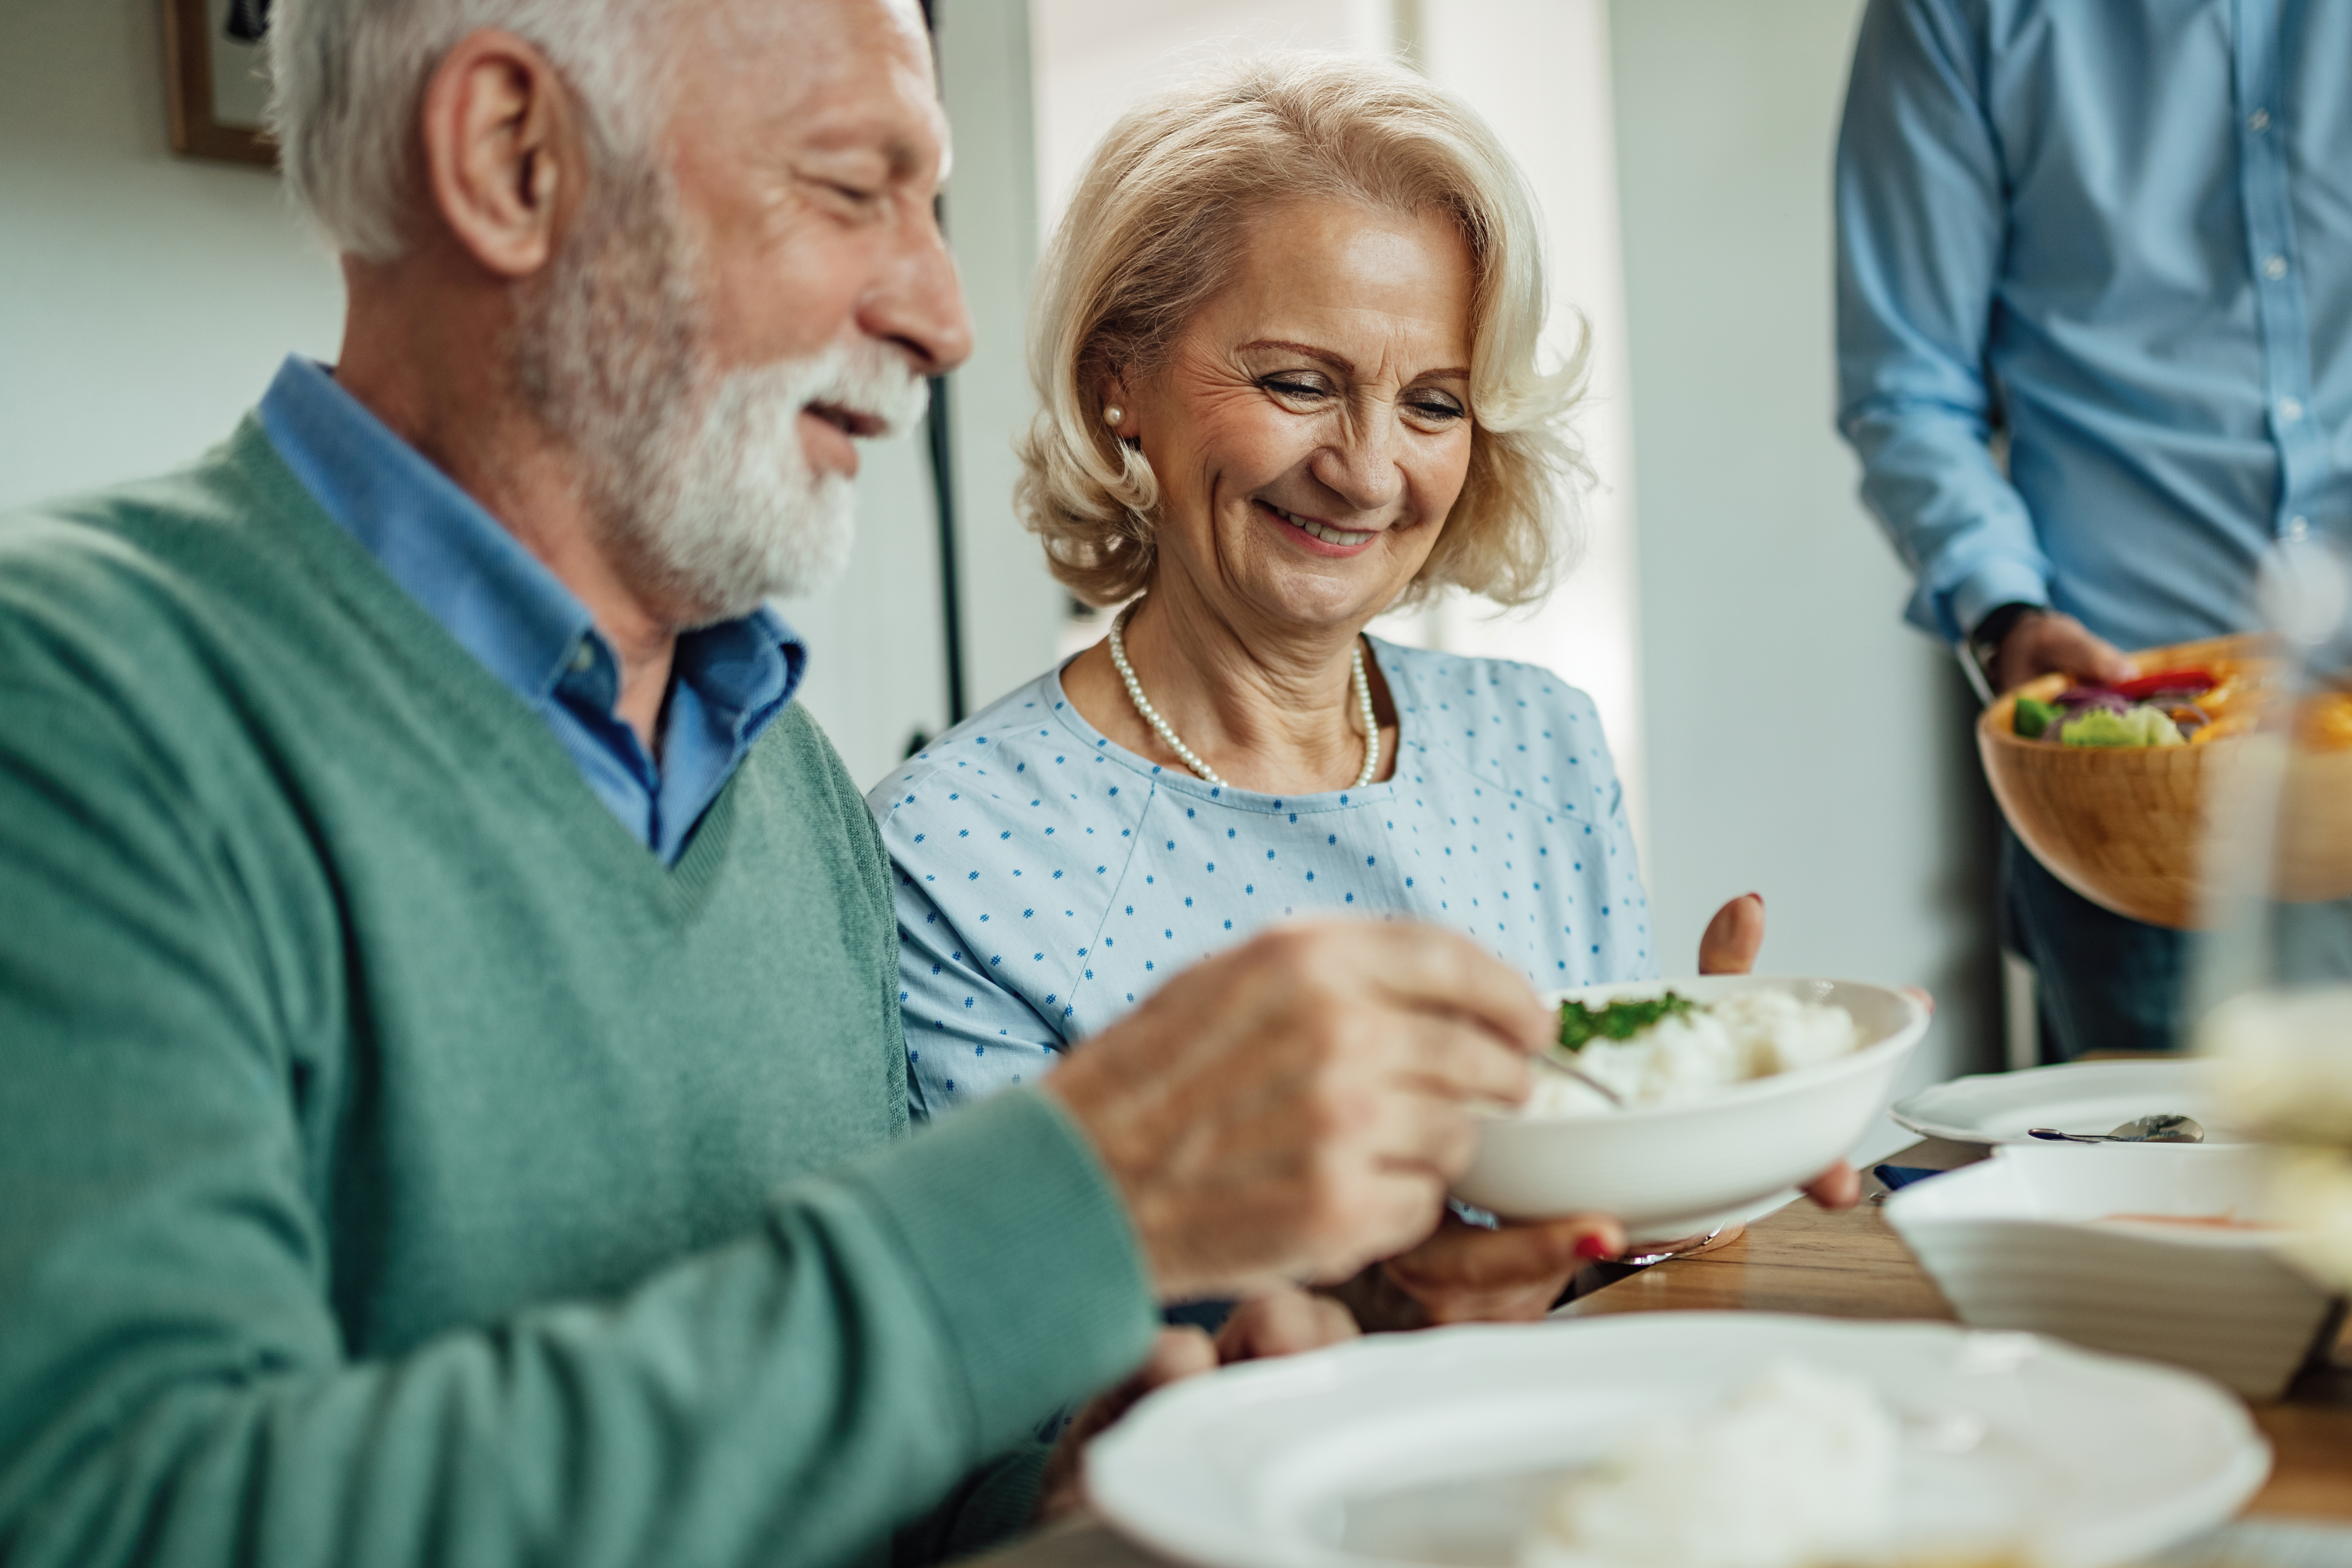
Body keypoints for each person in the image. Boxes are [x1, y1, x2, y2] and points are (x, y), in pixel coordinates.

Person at [0, 4, 1573, 1563]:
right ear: (511, 157)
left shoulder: (782, 778)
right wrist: (1080, 1195)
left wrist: (1114, 1483)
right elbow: (127, 1520)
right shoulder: (75, 706)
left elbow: (863, 1480)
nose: (944, 317)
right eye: (850, 189)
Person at [871, 54, 1858, 1328]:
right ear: (1119, 379)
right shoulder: (953, 847)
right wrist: (1372, 1320)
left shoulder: (1537, 741)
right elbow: (1007, 1370)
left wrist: (1700, 1157)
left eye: (1433, 403)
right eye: (1298, 383)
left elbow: (1609, 1250)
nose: (1368, 471)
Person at [1835, 0, 2352, 1057]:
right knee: (2153, 1161)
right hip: (2139, 796)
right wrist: (2005, 615)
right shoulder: (1953, 16)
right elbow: (1906, 384)